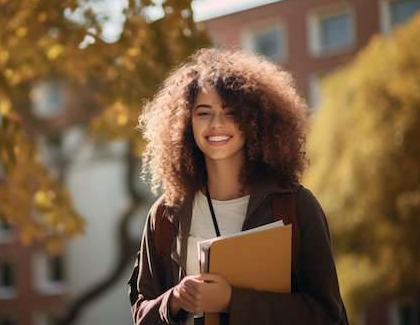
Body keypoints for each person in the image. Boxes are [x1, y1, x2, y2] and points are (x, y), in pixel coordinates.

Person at [128, 47, 348, 325]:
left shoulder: (295, 204)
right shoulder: (165, 214)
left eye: (231, 112)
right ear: (186, 122)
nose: (217, 124)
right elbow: (141, 313)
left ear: (255, 121)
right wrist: (174, 300)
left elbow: (328, 314)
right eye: (204, 113)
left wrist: (232, 301)